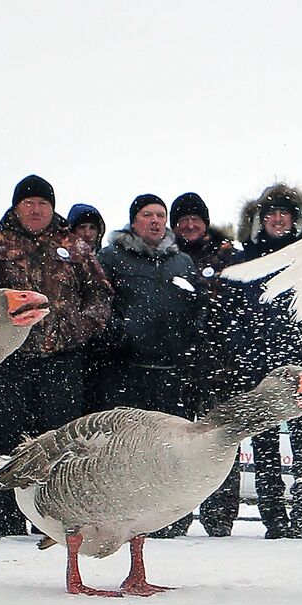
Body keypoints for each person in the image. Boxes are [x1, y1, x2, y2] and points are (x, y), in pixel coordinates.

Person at [0, 175, 112, 538]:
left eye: (43, 203)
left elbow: (101, 296)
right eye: (29, 203)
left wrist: (77, 327)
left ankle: (53, 521)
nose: (36, 210)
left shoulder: (76, 247)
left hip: (60, 360)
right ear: (16, 206)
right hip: (5, 363)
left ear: (52, 208)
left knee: (59, 442)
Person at [211, 183, 302, 538]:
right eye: (271, 213)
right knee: (265, 446)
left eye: (284, 213)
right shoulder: (244, 261)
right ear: (260, 220)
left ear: (296, 219)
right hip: (258, 369)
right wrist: (243, 352)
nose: (277, 219)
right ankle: (274, 519)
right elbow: (229, 315)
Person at [95, 194, 205, 537]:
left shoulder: (182, 262)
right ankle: (119, 515)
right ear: (133, 221)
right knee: (123, 449)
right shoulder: (111, 257)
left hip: (170, 374)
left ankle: (168, 521)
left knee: (169, 449)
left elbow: (198, 308)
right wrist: (119, 335)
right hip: (125, 370)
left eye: (161, 215)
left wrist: (189, 343)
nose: (155, 221)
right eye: (147, 215)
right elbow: (100, 305)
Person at [169, 191, 244, 536]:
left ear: (206, 221)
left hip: (221, 367)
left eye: (195, 218)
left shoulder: (230, 255)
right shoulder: (166, 255)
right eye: (182, 219)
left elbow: (241, 308)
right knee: (175, 445)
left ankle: (220, 517)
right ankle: (175, 515)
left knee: (222, 441)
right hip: (176, 368)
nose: (189, 224)